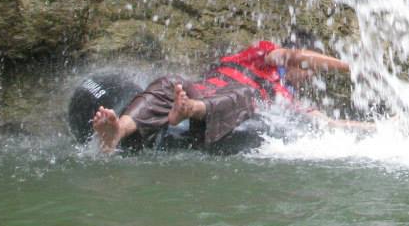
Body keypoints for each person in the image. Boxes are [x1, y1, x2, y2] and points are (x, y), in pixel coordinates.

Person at [90, 35, 365, 153]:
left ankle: (188, 111)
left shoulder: (285, 99)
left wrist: (383, 127)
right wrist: (350, 66)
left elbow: (326, 123)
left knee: (246, 94)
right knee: (170, 81)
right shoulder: (262, 56)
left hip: (216, 111)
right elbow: (291, 54)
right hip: (198, 92)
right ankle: (119, 130)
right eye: (310, 69)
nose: (309, 76)